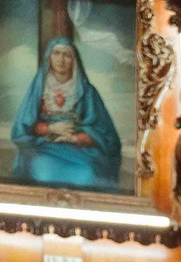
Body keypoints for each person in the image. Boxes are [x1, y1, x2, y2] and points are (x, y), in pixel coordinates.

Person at [9, 37, 123, 190]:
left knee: (87, 175)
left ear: (74, 60)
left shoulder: (87, 92)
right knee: (43, 173)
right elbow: (22, 127)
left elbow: (107, 135)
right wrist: (50, 129)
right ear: (49, 57)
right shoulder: (39, 88)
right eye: (56, 53)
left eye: (66, 55)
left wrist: (75, 138)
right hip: (45, 148)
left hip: (80, 152)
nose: (61, 59)